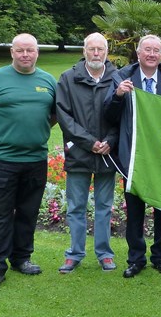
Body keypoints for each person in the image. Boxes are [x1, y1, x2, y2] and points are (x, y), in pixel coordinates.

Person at [0, 33, 57, 292]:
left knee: (28, 212)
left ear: (37, 52)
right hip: (2, 160)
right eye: (20, 51)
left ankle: (21, 258)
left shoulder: (48, 81)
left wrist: (37, 130)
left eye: (30, 50)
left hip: (35, 158)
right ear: (12, 52)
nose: (25, 55)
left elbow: (54, 115)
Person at [104, 34, 161, 278]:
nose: (151, 55)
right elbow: (109, 116)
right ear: (138, 53)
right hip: (133, 155)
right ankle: (135, 259)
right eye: (147, 50)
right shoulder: (121, 78)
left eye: (156, 51)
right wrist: (118, 95)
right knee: (135, 210)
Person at [55, 33, 120, 274]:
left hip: (107, 153)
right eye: (91, 49)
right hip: (80, 153)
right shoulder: (69, 79)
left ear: (106, 51)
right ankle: (74, 253)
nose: (96, 53)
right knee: (76, 207)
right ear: (84, 51)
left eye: (100, 49)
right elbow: (64, 116)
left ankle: (104, 254)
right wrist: (89, 142)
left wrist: (110, 141)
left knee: (104, 206)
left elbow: (122, 115)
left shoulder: (117, 77)